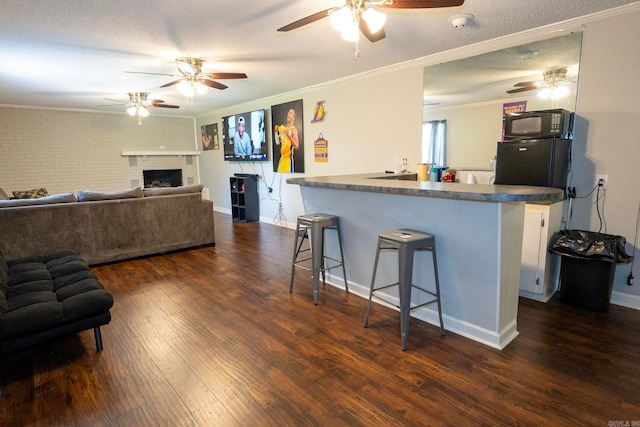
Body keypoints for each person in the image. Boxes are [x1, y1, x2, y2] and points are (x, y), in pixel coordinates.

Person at [274, 108, 299, 172]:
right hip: (282, 159)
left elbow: (296, 146)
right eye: (288, 112)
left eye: (291, 113)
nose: (288, 114)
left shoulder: (294, 129)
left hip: (288, 160)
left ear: (293, 118)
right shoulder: (283, 128)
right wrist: (276, 133)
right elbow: (277, 142)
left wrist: (289, 136)